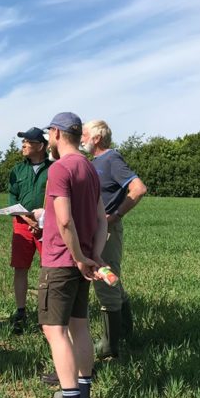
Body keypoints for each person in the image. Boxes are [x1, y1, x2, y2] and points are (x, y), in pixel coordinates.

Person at [34, 112, 108, 398]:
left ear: (56, 133)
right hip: (82, 262)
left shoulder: (60, 168)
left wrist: (78, 256)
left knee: (54, 331)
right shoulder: (89, 169)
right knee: (80, 326)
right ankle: (84, 394)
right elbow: (102, 218)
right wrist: (95, 255)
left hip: (62, 262)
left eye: (49, 132)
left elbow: (64, 221)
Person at [81, 120, 147, 359]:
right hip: (96, 229)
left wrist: (115, 215)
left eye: (85, 134)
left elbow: (138, 188)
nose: (81, 139)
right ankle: (126, 332)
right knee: (110, 280)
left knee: (104, 282)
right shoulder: (95, 162)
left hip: (107, 231)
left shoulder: (111, 159)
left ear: (97, 138)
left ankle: (110, 347)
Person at [8, 127, 52, 334]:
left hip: (48, 227)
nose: (23, 145)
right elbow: (12, 199)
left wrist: (42, 221)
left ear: (41, 146)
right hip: (22, 225)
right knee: (20, 268)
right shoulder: (17, 170)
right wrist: (28, 219)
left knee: (49, 269)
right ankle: (20, 311)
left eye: (28, 142)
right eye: (23, 141)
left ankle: (48, 312)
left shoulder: (54, 168)